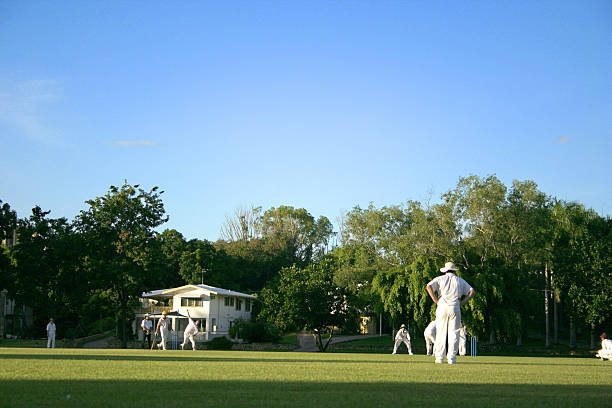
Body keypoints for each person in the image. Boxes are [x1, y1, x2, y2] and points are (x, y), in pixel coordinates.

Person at [426, 261, 475, 364]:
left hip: (442, 305)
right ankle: (452, 358)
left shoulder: (440, 278)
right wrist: (462, 302)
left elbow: (428, 286)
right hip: (455, 306)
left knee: (440, 332)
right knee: (454, 333)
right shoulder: (460, 281)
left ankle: (439, 358)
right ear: (454, 270)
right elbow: (471, 292)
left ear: (445, 271)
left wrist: (435, 300)